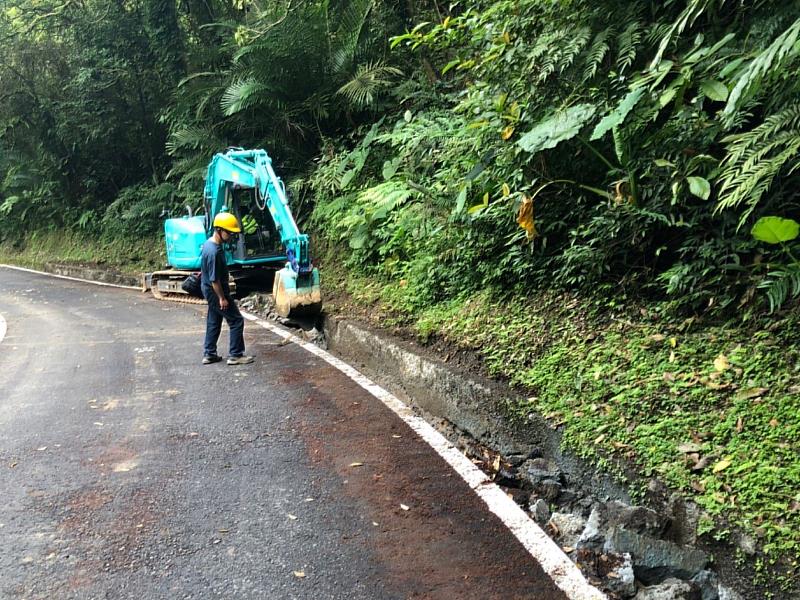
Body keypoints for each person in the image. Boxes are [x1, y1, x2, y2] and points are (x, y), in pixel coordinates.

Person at [200, 212, 254, 365]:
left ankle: (209, 353)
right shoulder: (214, 252)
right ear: (219, 230)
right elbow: (214, 280)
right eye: (229, 233)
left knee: (214, 320)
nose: (231, 236)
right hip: (215, 291)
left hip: (209, 290)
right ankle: (235, 355)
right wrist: (222, 298)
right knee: (236, 320)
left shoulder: (209, 245)